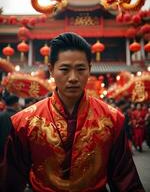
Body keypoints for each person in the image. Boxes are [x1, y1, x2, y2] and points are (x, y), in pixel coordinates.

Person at [1, 32, 145, 192]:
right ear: (51, 70)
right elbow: (9, 182)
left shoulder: (112, 119)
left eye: (80, 69)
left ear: (89, 69)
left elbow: (126, 180)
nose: (73, 78)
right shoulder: (24, 122)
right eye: (65, 69)